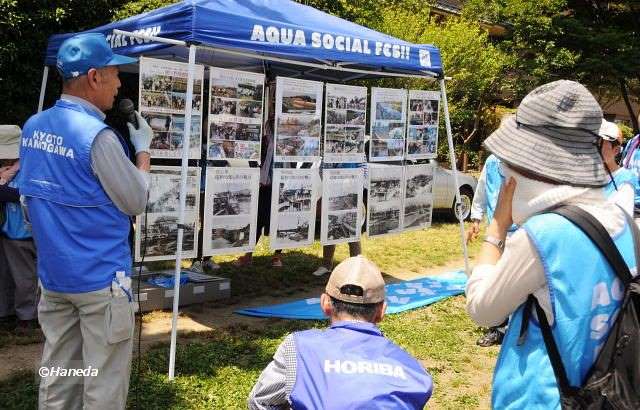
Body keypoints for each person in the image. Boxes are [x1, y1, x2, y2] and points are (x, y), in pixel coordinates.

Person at [465, 80, 638, 408]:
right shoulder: (626, 222)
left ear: (532, 165)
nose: (504, 168)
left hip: (545, 395)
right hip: (607, 389)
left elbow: (483, 310)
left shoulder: (543, 235)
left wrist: (497, 229)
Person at [18, 33, 152, 409]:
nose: (120, 83)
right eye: (114, 73)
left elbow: (30, 204)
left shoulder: (33, 127)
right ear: (94, 77)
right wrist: (143, 151)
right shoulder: (98, 138)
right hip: (101, 284)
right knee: (103, 383)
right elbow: (136, 199)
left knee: (60, 373)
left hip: (55, 278)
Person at [248, 256, 433, 409]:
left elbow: (260, 401)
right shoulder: (416, 375)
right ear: (381, 311)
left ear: (325, 304)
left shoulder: (298, 348)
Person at [466, 153, 517, 347]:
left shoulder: (524, 161)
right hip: (497, 230)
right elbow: (482, 190)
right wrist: (476, 219)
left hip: (520, 230)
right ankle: (499, 327)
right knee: (495, 279)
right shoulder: (491, 162)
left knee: (513, 281)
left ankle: (511, 325)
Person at [0, 125, 38, 333]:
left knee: (24, 277)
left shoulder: (28, 169)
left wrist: (6, 177)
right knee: (6, 275)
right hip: (9, 233)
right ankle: (7, 314)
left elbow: (15, 195)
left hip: (22, 233)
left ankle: (26, 318)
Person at [598, 119, 638, 215]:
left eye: (600, 145)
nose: (594, 149)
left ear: (616, 150)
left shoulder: (625, 179)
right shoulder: (587, 173)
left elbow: (621, 219)